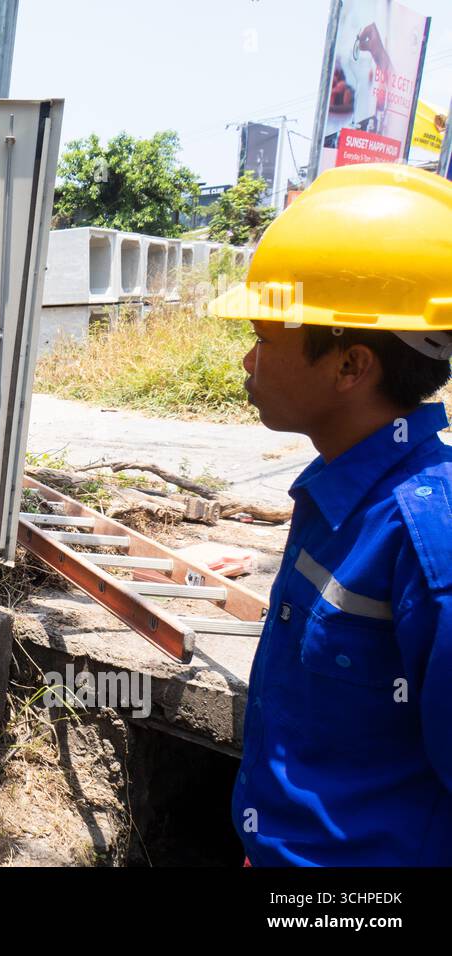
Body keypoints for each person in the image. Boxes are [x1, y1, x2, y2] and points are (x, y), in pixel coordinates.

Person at [209, 164, 452, 865]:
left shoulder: (428, 538)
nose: (248, 361)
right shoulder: (339, 491)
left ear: (350, 366)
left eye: (265, 338)